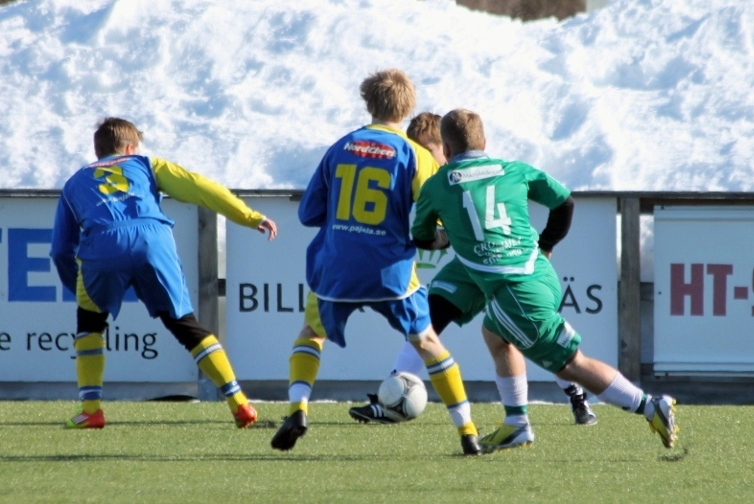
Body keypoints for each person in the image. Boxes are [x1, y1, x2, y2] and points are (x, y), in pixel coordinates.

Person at [410, 108, 678, 452]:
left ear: (446, 149)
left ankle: (650, 405)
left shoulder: (437, 185)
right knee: (494, 333)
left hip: (516, 294)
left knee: (573, 364)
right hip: (539, 273)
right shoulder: (514, 169)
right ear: (485, 142)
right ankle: (516, 423)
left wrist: (450, 237)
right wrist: (546, 244)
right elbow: (565, 202)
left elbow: (422, 237)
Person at [270, 70, 483, 456]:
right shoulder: (415, 154)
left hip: (336, 267)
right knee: (427, 342)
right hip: (391, 270)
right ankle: (467, 431)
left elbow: (308, 213)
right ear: (408, 107)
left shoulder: (340, 147)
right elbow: (436, 211)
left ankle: (298, 409)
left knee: (311, 334)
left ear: (367, 101)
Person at [348, 112, 598, 430]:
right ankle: (391, 400)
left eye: (427, 151)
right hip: (469, 266)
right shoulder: (431, 179)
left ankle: (576, 394)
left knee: (531, 330)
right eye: (416, 152)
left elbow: (549, 205)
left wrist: (544, 245)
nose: (422, 159)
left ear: (446, 148)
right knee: (426, 321)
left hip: (503, 263)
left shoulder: (464, 176)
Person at [50, 117, 278, 429]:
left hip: (102, 246)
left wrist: (76, 285)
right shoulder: (146, 164)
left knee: (90, 325)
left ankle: (91, 410)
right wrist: (249, 216)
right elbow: (200, 187)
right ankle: (239, 404)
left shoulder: (75, 183)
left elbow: (60, 250)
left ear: (98, 151)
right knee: (185, 325)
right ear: (130, 148)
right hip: (153, 241)